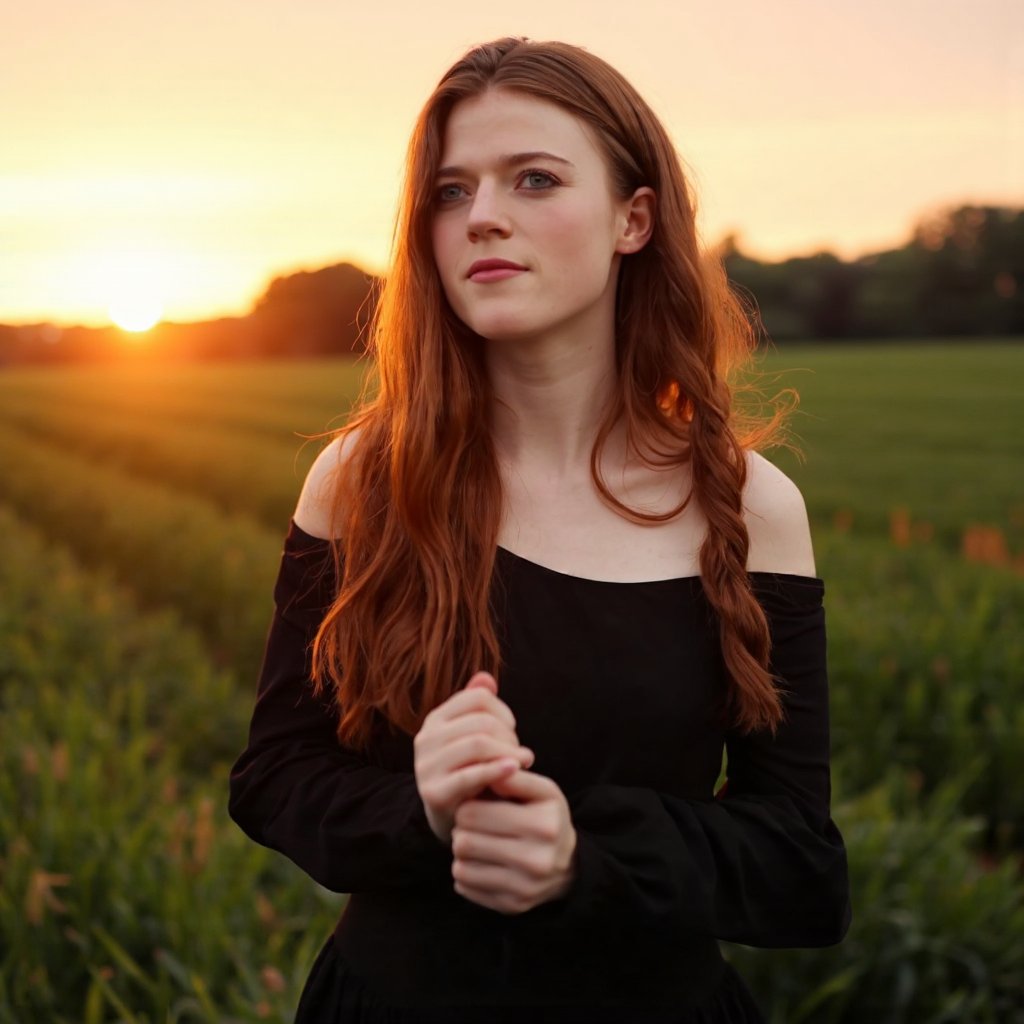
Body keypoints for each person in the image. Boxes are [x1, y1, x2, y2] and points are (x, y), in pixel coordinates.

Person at [228, 36, 852, 1024]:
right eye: (449, 190)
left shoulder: (748, 505)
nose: (483, 216)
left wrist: (584, 855)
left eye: (533, 179)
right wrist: (420, 811)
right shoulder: (362, 480)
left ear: (632, 218)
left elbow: (798, 867)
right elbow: (274, 777)